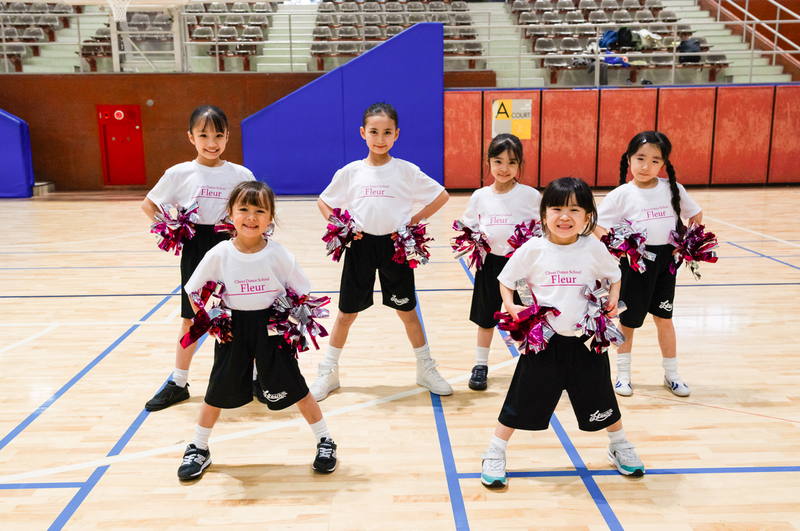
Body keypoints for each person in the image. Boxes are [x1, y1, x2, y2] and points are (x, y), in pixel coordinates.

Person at [480, 177, 645, 489]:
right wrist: (510, 305)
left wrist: (613, 297)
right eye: (556, 209)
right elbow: (506, 280)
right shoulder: (533, 249)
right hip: (544, 341)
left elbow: (615, 275)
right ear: (544, 215)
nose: (565, 216)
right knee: (521, 397)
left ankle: (619, 445)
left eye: (575, 210)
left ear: (588, 217)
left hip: (587, 340)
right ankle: (495, 451)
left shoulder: (594, 248)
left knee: (601, 395)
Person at [177, 181, 337, 480]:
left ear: (270, 217)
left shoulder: (278, 254)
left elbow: (302, 291)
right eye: (244, 209)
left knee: (297, 388)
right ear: (230, 213)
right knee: (215, 391)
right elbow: (193, 290)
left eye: (260, 211)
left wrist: (292, 320)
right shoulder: (219, 253)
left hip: (272, 329)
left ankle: (325, 441)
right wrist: (208, 320)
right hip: (232, 330)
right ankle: (199, 447)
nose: (251, 217)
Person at [309, 102, 451, 401]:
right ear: (363, 133)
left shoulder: (406, 171)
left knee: (407, 311)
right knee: (346, 313)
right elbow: (324, 201)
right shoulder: (351, 172)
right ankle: (328, 371)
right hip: (360, 247)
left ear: (396, 134)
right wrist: (342, 226)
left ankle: (425, 368)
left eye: (387, 132)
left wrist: (413, 220)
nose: (380, 138)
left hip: (395, 247)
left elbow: (441, 195)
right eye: (374, 132)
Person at [142, 105, 255, 412]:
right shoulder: (178, 173)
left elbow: (254, 210)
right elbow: (149, 204)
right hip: (195, 247)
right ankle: (178, 382)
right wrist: (170, 228)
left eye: (218, 135)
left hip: (233, 245)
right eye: (203, 135)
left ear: (228, 136)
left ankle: (254, 377)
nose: (212, 142)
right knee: (191, 318)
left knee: (244, 314)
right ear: (191, 137)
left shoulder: (241, 174)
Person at [595, 131, 702, 398]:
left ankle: (672, 374)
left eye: (655, 161)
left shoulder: (673, 189)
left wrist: (687, 242)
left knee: (664, 319)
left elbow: (696, 215)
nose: (646, 166)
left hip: (666, 263)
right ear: (629, 159)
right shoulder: (621, 194)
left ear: (663, 164)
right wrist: (619, 246)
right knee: (628, 322)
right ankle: (623, 375)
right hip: (636, 264)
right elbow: (598, 226)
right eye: (640, 158)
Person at [459, 134, 541, 391]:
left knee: (527, 315)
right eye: (498, 161)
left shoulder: (530, 196)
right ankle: (480, 365)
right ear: (488, 162)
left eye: (512, 162)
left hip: (520, 270)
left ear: (520, 165)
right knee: (485, 318)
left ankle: (534, 363)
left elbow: (542, 229)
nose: (504, 168)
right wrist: (473, 238)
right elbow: (467, 226)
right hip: (489, 267)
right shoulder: (480, 196)